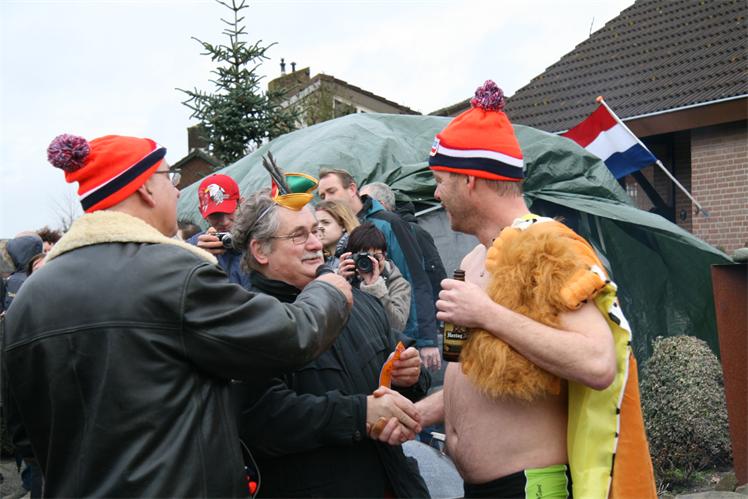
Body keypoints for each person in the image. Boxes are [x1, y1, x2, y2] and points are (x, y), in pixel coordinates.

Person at [3, 133, 352, 497]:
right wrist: (329, 290)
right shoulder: (173, 274)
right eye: (170, 178)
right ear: (145, 189)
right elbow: (289, 336)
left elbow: (23, 434)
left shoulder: (28, 297)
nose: (177, 191)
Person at [415, 81, 656, 498]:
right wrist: (419, 413)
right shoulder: (471, 261)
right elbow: (476, 381)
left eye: (440, 180)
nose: (436, 193)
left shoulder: (548, 247)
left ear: (470, 179)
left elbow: (598, 362)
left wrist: (486, 314)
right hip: (481, 487)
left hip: (531, 487)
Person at [231, 185, 431, 498]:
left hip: (397, 484)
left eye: (316, 230)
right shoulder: (247, 322)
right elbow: (263, 420)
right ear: (260, 251)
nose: (316, 243)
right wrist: (360, 414)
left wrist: (411, 376)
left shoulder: (357, 301)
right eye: (298, 236)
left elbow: (401, 369)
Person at [318, 169, 442, 371]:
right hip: (365, 343)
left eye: (331, 191)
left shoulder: (388, 223)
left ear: (352, 189)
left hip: (401, 335)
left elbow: (415, 277)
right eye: (322, 196)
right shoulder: (328, 241)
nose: (327, 199)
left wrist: (426, 339)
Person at [360, 182, 448, 370]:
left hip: (412, 332)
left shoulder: (410, 232)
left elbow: (427, 282)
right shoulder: (367, 233)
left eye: (366, 201)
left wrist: (428, 338)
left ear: (381, 204)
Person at [339, 221, 411, 334]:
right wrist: (338, 285)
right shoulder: (343, 279)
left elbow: (397, 327)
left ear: (385, 255)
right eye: (363, 258)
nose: (372, 263)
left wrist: (376, 289)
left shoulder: (398, 284)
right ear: (351, 257)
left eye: (376, 257)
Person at [188, 173, 251, 288]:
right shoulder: (194, 247)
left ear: (242, 203)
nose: (224, 222)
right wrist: (197, 261)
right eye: (215, 215)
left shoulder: (261, 235)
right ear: (202, 213)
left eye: (229, 211)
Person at [314, 199, 359, 268]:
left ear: (343, 225)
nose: (319, 228)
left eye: (326, 222)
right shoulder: (319, 257)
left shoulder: (357, 252)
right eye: (316, 224)